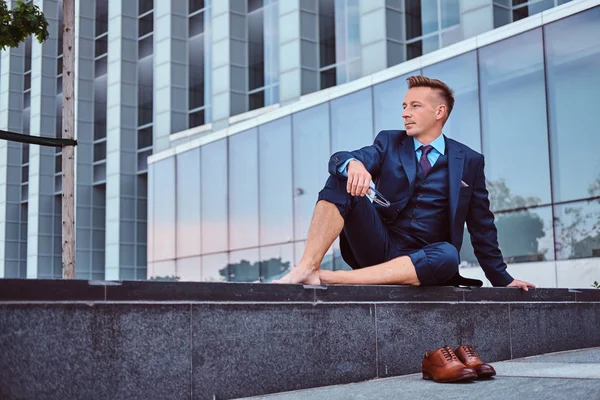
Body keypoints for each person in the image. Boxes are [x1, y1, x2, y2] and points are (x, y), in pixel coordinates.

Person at [274, 76, 535, 291]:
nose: (405, 114)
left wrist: (503, 280)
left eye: (415, 106)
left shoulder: (469, 161)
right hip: (377, 243)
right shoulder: (389, 142)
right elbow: (341, 159)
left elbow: (482, 226)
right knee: (342, 178)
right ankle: (307, 267)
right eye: (404, 106)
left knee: (448, 256)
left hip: (425, 259)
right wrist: (354, 164)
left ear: (439, 112)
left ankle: (329, 278)